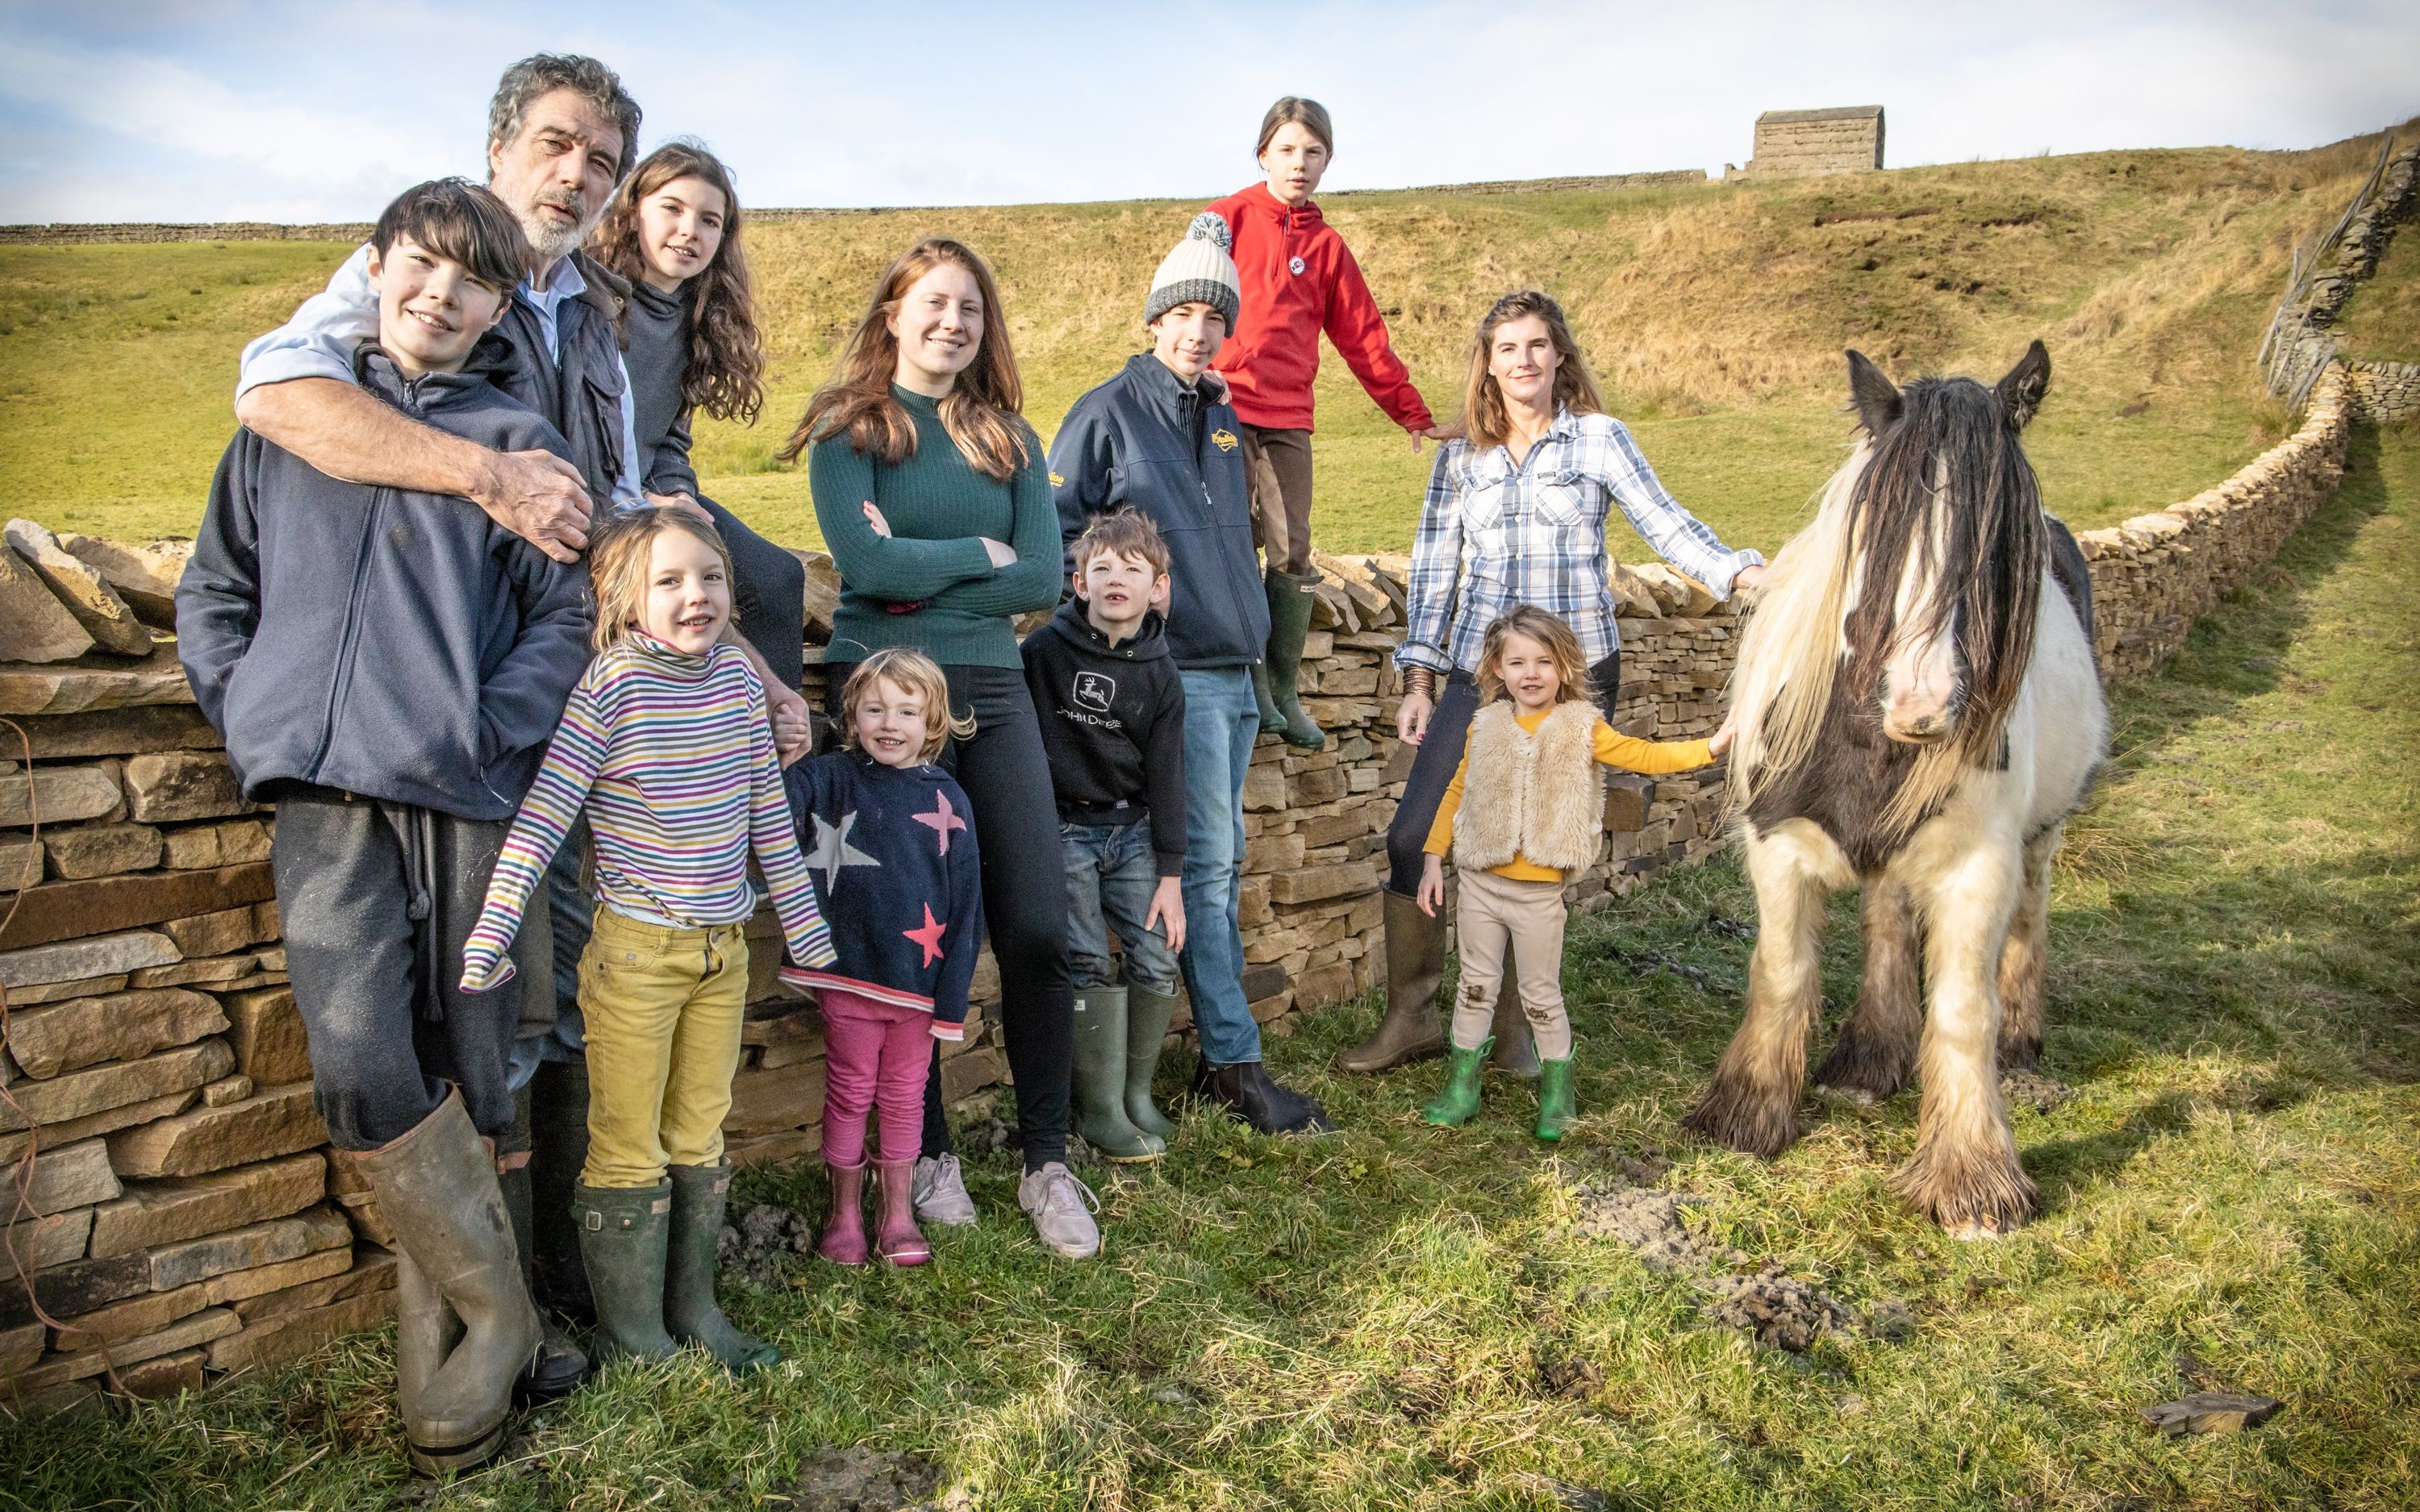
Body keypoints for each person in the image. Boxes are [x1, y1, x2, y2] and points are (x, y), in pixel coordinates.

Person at [232, 51, 810, 1327]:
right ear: (500, 148)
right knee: (493, 1009)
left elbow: (624, 503)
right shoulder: (423, 267)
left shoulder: (593, 321)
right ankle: (510, 1312)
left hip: (596, 705)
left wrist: (747, 659)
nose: (576, 176)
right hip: (457, 718)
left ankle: (587, 1291)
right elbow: (273, 391)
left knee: (569, 994)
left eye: (601, 161)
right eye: (557, 145)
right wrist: (482, 481)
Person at [177, 179, 593, 1476]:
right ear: (377, 265)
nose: (442, 297)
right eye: (423, 267)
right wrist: (253, 709)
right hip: (321, 790)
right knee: (359, 1051)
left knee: (474, 1046)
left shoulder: (519, 442)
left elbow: (565, 619)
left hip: (461, 791)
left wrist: (487, 726)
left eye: (475, 284)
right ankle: (502, 1308)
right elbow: (216, 587)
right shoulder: (292, 429)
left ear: (498, 307)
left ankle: (451, 1352)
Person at [1342, 288, 1766, 1081]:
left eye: (1537, 345)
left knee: (1526, 848)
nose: (1524, 361)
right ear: (1489, 365)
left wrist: (1736, 570)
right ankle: (1412, 1017)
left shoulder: (1599, 441)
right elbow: (1435, 568)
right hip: (1480, 668)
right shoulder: (1459, 458)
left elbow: (1664, 522)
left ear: (1559, 355)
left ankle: (1516, 1030)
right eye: (1507, 349)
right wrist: (1420, 677)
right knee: (1412, 836)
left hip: (1571, 677)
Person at [780, 237, 1101, 1260]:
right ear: (892, 315)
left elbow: (1042, 581)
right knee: (901, 930)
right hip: (886, 698)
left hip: (994, 694)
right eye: (932, 304)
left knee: (1038, 924)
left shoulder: (1009, 437)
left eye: (969, 308)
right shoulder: (850, 431)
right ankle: (927, 1155)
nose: (952, 323)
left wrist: (917, 577)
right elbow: (859, 561)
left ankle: (1046, 1160)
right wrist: (978, 553)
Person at [458, 509, 837, 1371]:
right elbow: (545, 817)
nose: (696, 595)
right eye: (669, 581)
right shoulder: (610, 691)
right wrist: (494, 931)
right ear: (626, 602)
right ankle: (635, 1336)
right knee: (628, 1139)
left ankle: (694, 1311)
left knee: (699, 1130)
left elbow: (766, 817)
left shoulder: (740, 687)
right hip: (636, 954)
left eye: (709, 578)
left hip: (721, 950)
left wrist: (806, 927)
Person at [1049, 217, 1334, 1135]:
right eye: (1186, 311)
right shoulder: (1106, 413)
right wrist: (1119, 636)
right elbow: (1061, 538)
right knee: (1206, 872)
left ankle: (1212, 1056)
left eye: (1217, 315)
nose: (1201, 330)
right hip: (1180, 676)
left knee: (1224, 864)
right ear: (1156, 317)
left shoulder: (1220, 414)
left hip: (1239, 668)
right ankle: (1233, 1063)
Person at [1415, 607, 1733, 1137]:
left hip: (1537, 897)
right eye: (1517, 661)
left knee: (1540, 993)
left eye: (1544, 660)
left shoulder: (1581, 727)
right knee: (1475, 985)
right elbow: (1456, 789)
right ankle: (1461, 1087)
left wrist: (1711, 747)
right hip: (1479, 886)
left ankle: (1558, 1095)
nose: (1531, 672)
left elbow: (1642, 754)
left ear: (1564, 666)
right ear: (1498, 666)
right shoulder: (1486, 725)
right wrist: (1432, 857)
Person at [1201, 96, 1448, 752]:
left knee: (1290, 548)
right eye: (1286, 149)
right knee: (1230, 539)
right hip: (1219, 405)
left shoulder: (1327, 246)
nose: (1299, 163)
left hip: (1288, 418)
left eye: (1313, 152)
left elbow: (1364, 337)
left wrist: (1410, 411)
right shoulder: (1223, 220)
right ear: (1262, 154)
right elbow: (1181, 301)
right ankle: (1250, 681)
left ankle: (1282, 685)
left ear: (1328, 160)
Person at [781, 651, 984, 1268]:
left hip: (917, 987)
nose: (889, 723)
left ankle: (896, 1211)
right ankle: (843, 1210)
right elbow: (774, 811)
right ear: (852, 714)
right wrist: (790, 757)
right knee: (849, 1091)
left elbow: (967, 903)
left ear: (933, 722)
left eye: (906, 710)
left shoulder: (949, 799)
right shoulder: (830, 778)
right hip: (849, 973)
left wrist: (950, 1000)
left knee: (904, 1097)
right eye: (875, 708)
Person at [591, 140, 808, 690]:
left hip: (652, 493)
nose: (690, 230)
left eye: (709, 220)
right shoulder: (592, 300)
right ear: (632, 209)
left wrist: (680, 494)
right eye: (672, 209)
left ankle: (772, 744)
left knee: (774, 577)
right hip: (593, 496)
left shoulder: (698, 319)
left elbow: (667, 439)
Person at [1022, 510, 1188, 1162]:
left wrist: (1171, 874)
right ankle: (1099, 1111)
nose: (1117, 577)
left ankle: (1136, 1097)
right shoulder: (1042, 653)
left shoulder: (1161, 672)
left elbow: (1170, 775)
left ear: (1158, 588)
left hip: (1134, 832)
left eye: (1133, 568)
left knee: (1154, 955)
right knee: (1088, 958)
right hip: (1065, 828)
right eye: (1103, 568)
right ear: (1079, 583)